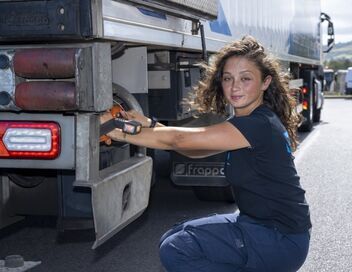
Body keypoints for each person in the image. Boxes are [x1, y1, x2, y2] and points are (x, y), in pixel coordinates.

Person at [100, 36, 311, 272]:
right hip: (259, 225)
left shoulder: (257, 125)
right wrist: (149, 123)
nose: (234, 86)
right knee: (176, 234)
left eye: (246, 78)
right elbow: (193, 149)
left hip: (279, 239)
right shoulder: (246, 123)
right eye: (228, 78)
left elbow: (180, 139)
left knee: (177, 248)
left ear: (265, 82)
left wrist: (117, 130)